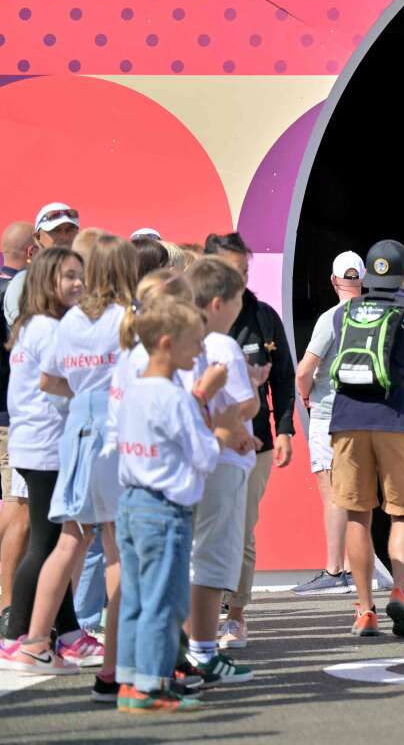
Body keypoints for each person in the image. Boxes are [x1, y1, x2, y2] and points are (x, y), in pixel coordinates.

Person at [113, 294, 247, 713]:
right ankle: (153, 686)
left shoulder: (133, 390)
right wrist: (224, 430)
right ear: (168, 343)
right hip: (165, 512)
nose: (200, 355)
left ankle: (131, 681)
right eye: (195, 344)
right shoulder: (174, 399)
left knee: (136, 598)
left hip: (132, 504)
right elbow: (205, 457)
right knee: (163, 601)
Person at [16, 235, 138, 691]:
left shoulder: (68, 321)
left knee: (70, 538)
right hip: (113, 435)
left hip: (77, 432)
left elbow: (50, 379)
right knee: (115, 543)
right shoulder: (127, 319)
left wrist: (86, 396)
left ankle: (34, 641)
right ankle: (116, 660)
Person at [329, 240, 404, 636]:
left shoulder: (344, 314)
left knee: (357, 515)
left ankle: (364, 610)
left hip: (347, 422)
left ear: (367, 276)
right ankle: (399, 590)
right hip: (397, 423)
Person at [203, 232, 297, 650]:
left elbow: (284, 377)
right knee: (202, 533)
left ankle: (235, 614)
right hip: (199, 445)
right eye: (229, 270)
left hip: (252, 447)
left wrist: (286, 430)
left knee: (241, 530)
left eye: (243, 270)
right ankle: (199, 617)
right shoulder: (188, 320)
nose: (238, 278)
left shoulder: (263, 317)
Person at [0, 247, 86, 672]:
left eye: (80, 276)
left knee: (53, 542)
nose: (77, 284)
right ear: (46, 282)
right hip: (47, 446)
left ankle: (67, 633)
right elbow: (58, 383)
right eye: (68, 276)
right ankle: (17, 635)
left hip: (38, 445)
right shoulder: (49, 328)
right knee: (47, 543)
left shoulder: (32, 325)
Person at [177, 257, 261, 684]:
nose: (239, 309)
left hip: (195, 459)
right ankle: (203, 651)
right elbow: (239, 405)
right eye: (236, 301)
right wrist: (241, 429)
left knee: (191, 555)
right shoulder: (222, 344)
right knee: (211, 560)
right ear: (216, 303)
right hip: (222, 461)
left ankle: (188, 650)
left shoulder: (177, 339)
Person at [293, 252, 392, 596]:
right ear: (362, 279)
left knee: (332, 493)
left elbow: (305, 370)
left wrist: (305, 397)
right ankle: (359, 568)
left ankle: (337, 570)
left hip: (328, 414)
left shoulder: (330, 318)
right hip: (365, 414)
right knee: (358, 493)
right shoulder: (378, 315)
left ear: (334, 280)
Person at [0, 220, 34, 617]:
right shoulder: (22, 292)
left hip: (12, 413)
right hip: (13, 416)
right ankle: (9, 603)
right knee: (18, 508)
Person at [3, 202, 79, 326]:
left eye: (69, 230)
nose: (64, 237)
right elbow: (28, 332)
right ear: (37, 237)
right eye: (56, 231)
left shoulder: (85, 277)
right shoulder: (24, 282)